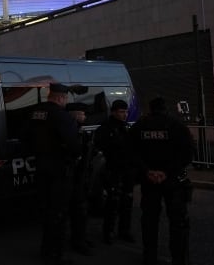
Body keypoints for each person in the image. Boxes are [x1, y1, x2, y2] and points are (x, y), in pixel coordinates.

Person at [129, 97, 194, 265]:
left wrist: (147, 171)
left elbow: (131, 153)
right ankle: (178, 259)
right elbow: (187, 154)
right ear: (166, 108)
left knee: (149, 220)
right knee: (177, 223)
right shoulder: (177, 126)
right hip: (172, 181)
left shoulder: (139, 127)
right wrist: (166, 172)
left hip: (149, 181)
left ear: (150, 108)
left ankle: (149, 257)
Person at [23, 83, 82, 265]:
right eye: (65, 99)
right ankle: (56, 254)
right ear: (60, 98)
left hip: (41, 168)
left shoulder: (34, 113)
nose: (65, 102)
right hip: (59, 171)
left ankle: (45, 250)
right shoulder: (61, 116)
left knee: (47, 211)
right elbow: (75, 146)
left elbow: (24, 137)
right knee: (59, 214)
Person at [94, 99, 136, 245]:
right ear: (113, 112)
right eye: (121, 112)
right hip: (114, 170)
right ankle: (109, 232)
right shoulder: (106, 128)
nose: (124, 114)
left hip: (127, 171)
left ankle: (124, 231)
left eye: (126, 112)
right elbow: (101, 147)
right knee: (112, 203)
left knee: (127, 202)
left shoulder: (126, 127)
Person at [66, 102, 94, 256]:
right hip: (73, 179)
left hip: (79, 178)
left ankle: (81, 237)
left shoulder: (78, 131)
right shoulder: (72, 133)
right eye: (83, 114)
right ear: (76, 115)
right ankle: (78, 241)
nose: (85, 117)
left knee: (82, 211)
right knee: (78, 211)